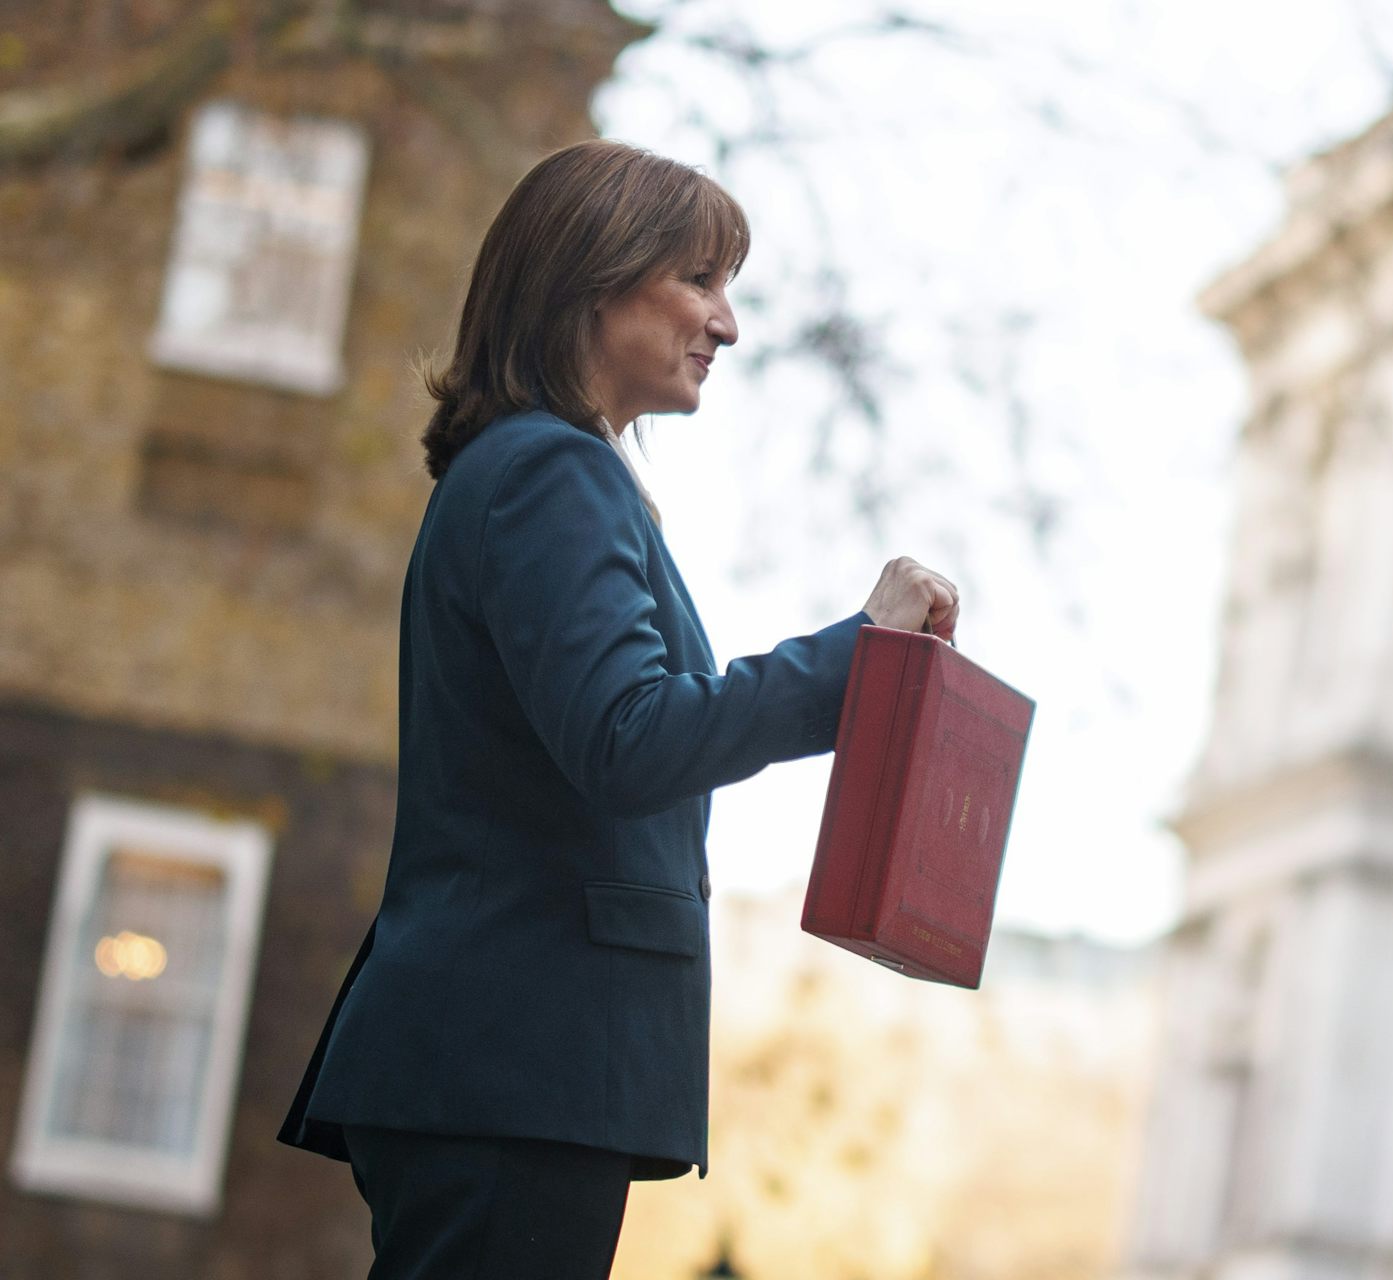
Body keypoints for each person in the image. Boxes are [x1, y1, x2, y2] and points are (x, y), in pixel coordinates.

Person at [276, 139, 959, 1278]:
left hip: (507, 1068)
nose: (727, 324)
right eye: (700, 280)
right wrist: (862, 658)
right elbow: (628, 734)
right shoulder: (551, 471)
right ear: (593, 279)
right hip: (515, 1068)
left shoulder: (531, 471)